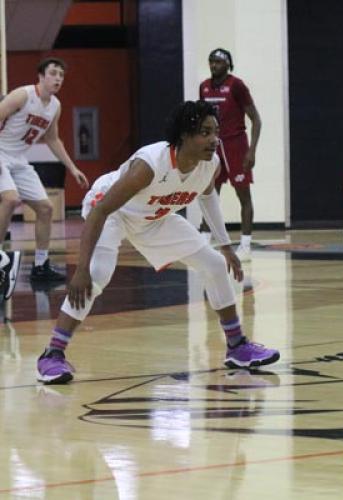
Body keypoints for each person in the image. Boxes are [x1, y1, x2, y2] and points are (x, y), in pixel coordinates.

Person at [36, 100, 279, 385]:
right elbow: (101, 211)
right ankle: (52, 354)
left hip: (153, 217)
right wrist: (81, 269)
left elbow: (208, 196)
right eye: (205, 132)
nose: (214, 139)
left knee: (213, 264)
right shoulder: (150, 165)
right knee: (97, 274)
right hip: (112, 211)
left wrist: (226, 246)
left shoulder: (209, 165)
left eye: (216, 132)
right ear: (184, 135)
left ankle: (237, 347)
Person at [0, 57, 89, 283]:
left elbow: (53, 139)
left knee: (46, 208)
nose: (58, 78)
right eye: (53, 73)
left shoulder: (55, 106)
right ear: (40, 76)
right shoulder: (23, 95)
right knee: (10, 200)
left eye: (61, 75)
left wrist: (72, 167)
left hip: (18, 159)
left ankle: (40, 266)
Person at [199, 48, 262, 261]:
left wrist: (251, 151)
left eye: (217, 62)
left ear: (227, 64)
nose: (213, 65)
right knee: (208, 193)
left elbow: (256, 119)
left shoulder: (237, 85)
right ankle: (204, 241)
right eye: (211, 62)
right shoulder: (204, 87)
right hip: (212, 146)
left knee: (243, 195)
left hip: (236, 146)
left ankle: (245, 245)